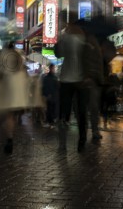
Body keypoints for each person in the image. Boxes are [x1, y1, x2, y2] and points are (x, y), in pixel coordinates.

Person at [55, 22, 88, 152]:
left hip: (67, 79)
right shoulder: (84, 37)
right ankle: (81, 141)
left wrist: (60, 39)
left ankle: (63, 143)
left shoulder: (65, 37)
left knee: (65, 114)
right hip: (80, 80)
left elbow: (58, 53)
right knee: (81, 113)